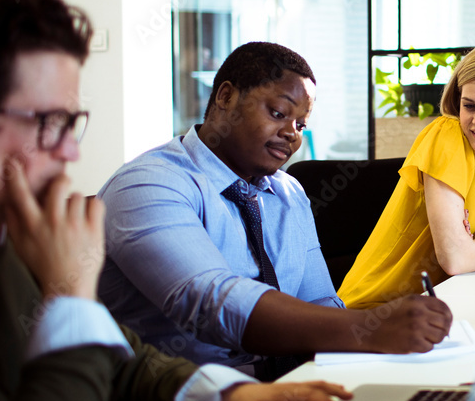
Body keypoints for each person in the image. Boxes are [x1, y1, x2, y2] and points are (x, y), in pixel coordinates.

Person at [0, 0, 352, 401]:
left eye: (71, 122)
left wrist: (231, 395)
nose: (71, 151)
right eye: (45, 121)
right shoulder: (139, 189)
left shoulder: (3, 247)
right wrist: (71, 298)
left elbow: (123, 361)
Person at [97, 42, 452, 377]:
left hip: (292, 386)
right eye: (279, 113)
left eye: (301, 125)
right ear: (225, 96)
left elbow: (320, 301)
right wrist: (371, 329)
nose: (292, 134)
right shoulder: (149, 184)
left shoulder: (287, 191)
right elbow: (212, 303)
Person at [338, 42, 475, 309]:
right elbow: (456, 259)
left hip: (455, 297)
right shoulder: (447, 137)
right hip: (380, 308)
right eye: (470, 106)